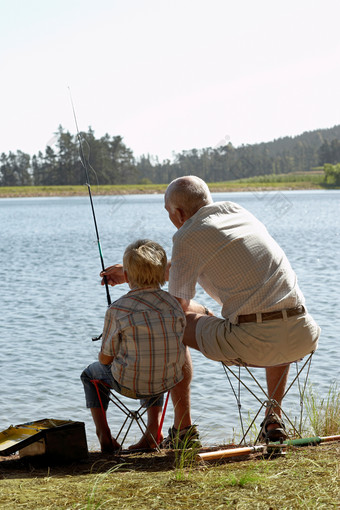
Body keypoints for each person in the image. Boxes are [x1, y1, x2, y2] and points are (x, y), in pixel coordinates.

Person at [101, 176, 320, 441]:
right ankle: (274, 420)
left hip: (255, 342)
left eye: (169, 213)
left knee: (174, 321)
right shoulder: (238, 213)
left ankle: (183, 430)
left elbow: (176, 308)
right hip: (303, 334)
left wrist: (139, 284)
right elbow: (187, 263)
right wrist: (130, 273)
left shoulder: (186, 236)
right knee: (272, 310)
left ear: (179, 214)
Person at [81, 239, 193, 453]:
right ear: (162, 274)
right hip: (167, 381)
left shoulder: (118, 309)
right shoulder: (174, 305)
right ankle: (153, 431)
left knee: (90, 374)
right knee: (155, 360)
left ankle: (104, 434)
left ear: (128, 276)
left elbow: (105, 359)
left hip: (128, 384)